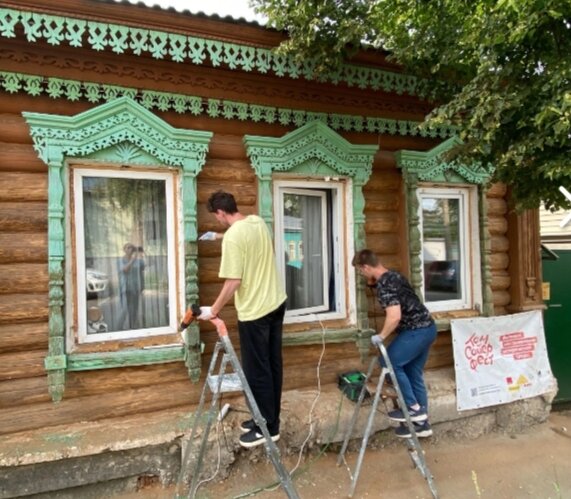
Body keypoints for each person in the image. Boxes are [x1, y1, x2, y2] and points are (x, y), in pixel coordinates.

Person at [198, 191, 287, 449]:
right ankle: (269, 419)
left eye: (217, 218)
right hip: (276, 303)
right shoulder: (257, 222)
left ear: (221, 213)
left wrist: (213, 310)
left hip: (256, 313)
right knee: (272, 366)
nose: (218, 221)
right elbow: (244, 238)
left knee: (257, 371)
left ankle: (267, 428)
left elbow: (233, 281)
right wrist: (218, 237)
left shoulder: (234, 237)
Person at [352, 249, 437, 438]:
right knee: (412, 372)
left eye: (360, 271)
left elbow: (394, 316)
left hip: (416, 331)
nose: (361, 275)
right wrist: (372, 282)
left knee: (389, 362)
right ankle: (421, 424)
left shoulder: (385, 285)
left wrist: (381, 336)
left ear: (366, 267)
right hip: (429, 328)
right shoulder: (394, 276)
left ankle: (413, 408)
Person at [118, 242, 145, 330]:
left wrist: (143, 253)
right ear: (124, 250)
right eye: (128, 247)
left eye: (132, 248)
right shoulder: (120, 260)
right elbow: (125, 269)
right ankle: (119, 328)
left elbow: (148, 265)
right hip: (125, 289)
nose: (130, 249)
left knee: (134, 311)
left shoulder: (138, 261)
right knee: (124, 310)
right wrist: (133, 260)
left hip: (135, 289)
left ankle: (133, 328)